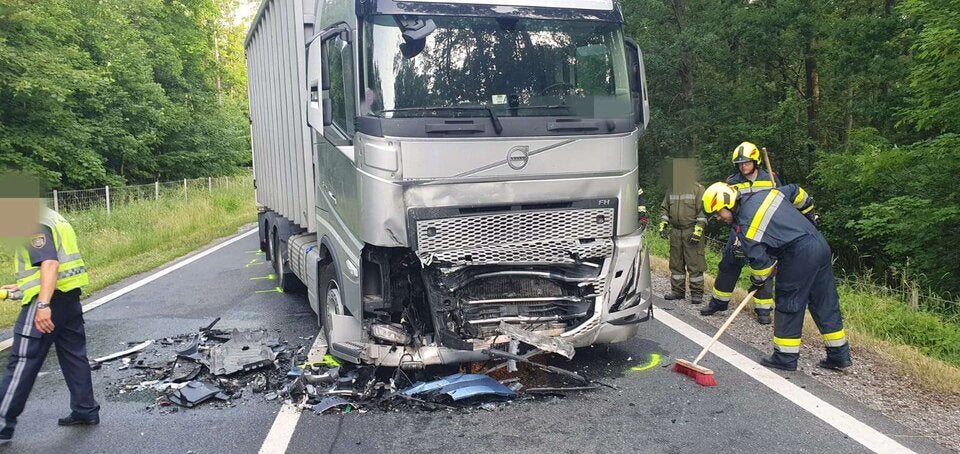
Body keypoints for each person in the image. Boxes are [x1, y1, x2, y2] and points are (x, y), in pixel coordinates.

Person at [702, 181, 851, 371]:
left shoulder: (746, 226)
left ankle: (785, 357)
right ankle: (839, 355)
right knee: (824, 301)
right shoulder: (767, 194)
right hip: (819, 245)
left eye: (718, 213)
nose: (718, 218)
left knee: (789, 302)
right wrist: (810, 215)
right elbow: (797, 191)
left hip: (797, 255)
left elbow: (762, 264)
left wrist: (756, 281)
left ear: (729, 203)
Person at [0, 204, 99, 444]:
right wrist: (21, 286)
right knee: (73, 354)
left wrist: (43, 305)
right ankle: (85, 409)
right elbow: (54, 263)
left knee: (22, 360)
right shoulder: (53, 216)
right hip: (68, 297)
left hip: (47, 302)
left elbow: (50, 264)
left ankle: (2, 422)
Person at [659, 182, 707, 303]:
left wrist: (699, 229)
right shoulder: (671, 189)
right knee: (676, 263)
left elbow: (703, 211)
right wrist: (663, 223)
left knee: (695, 264)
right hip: (675, 231)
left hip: (691, 230)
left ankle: (696, 293)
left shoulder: (698, 189)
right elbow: (665, 208)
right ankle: (677, 291)